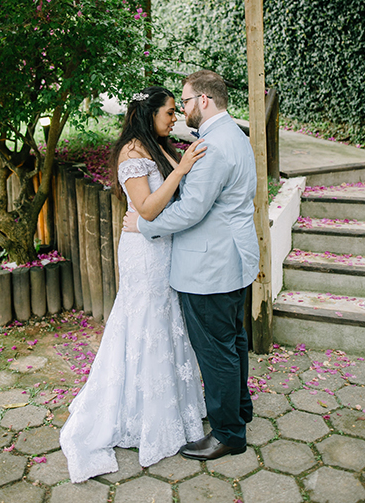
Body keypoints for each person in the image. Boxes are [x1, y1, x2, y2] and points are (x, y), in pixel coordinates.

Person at [60, 86, 209, 482]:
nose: (175, 118)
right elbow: (145, 207)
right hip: (144, 253)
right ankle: (141, 414)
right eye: (169, 112)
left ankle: (171, 406)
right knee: (144, 321)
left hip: (160, 246)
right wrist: (180, 170)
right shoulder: (132, 152)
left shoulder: (157, 145)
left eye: (177, 111)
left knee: (165, 320)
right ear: (150, 114)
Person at [122, 70, 259, 461]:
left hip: (209, 266)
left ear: (203, 100)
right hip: (232, 258)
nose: (181, 111)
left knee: (217, 351)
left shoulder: (214, 146)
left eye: (184, 102)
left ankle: (229, 433)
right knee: (233, 342)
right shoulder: (233, 134)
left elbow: (192, 210)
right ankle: (239, 411)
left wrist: (144, 224)